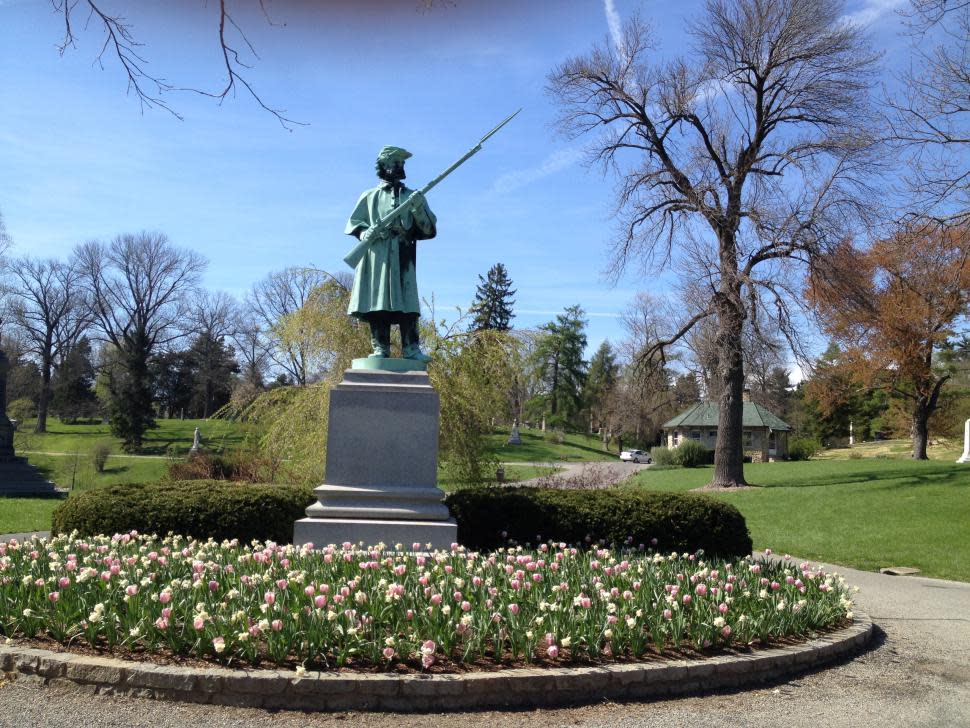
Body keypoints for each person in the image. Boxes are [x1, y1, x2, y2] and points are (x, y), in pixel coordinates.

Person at [345, 146, 437, 362]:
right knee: (377, 302)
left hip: (403, 254)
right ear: (384, 165)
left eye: (402, 163)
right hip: (377, 255)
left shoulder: (412, 196)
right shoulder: (369, 196)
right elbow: (354, 224)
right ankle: (380, 348)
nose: (400, 167)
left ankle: (411, 348)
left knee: (408, 302)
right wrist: (365, 232)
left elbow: (429, 229)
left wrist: (416, 209)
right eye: (396, 162)